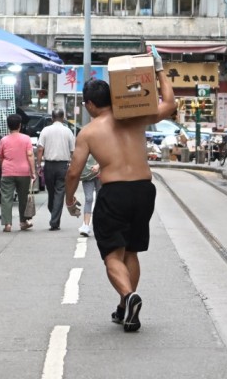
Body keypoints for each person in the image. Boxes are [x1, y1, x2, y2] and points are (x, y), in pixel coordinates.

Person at [63, 48, 177, 332]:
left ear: (90, 105)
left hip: (115, 194)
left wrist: (69, 200)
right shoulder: (136, 116)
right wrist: (159, 69)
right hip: (144, 191)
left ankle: (128, 296)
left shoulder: (88, 132)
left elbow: (74, 171)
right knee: (132, 252)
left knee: (113, 254)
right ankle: (125, 308)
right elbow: (171, 103)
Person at [35, 109, 75, 231]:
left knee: (52, 192)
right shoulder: (68, 131)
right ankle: (55, 215)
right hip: (63, 166)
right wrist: (73, 166)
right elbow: (73, 151)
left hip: (49, 165)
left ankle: (54, 221)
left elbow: (40, 149)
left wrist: (38, 165)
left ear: (52, 118)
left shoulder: (45, 130)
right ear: (63, 118)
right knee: (59, 193)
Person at [0, 114, 36, 232]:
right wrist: (33, 172)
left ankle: (7, 224)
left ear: (8, 126)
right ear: (20, 125)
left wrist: (4, 166)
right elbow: (30, 155)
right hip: (23, 172)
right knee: (23, 198)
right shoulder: (26, 139)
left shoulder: (3, 140)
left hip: (7, 172)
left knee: (6, 198)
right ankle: (23, 222)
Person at [78, 154, 101, 237]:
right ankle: (86, 226)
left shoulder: (103, 142)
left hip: (100, 173)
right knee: (89, 198)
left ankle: (99, 225)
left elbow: (108, 155)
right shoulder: (84, 142)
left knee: (100, 199)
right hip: (87, 173)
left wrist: (98, 165)